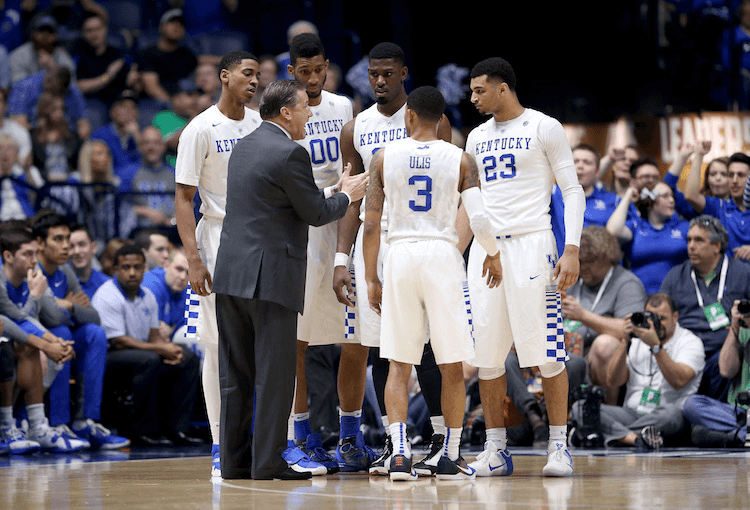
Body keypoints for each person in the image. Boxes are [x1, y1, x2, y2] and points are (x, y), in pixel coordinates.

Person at [211, 79, 368, 480]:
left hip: (230, 273)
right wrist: (348, 193)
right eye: (303, 108)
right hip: (270, 276)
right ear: (285, 112)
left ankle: (234, 462)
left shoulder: (245, 146)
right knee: (276, 375)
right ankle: (268, 463)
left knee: (235, 374)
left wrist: (332, 190)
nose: (309, 114)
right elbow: (316, 212)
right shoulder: (291, 153)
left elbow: (280, 198)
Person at [363, 85, 502, 480]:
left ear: (408, 116)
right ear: (442, 120)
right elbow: (477, 217)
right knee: (452, 362)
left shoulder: (382, 158)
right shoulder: (462, 159)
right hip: (442, 255)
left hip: (400, 254)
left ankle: (401, 454)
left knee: (398, 363)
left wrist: (371, 276)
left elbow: (371, 224)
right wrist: (492, 253)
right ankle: (450, 454)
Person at [333, 42, 455, 476]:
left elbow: (452, 192)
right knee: (386, 348)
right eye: (373, 74)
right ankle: (394, 441)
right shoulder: (356, 129)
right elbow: (352, 200)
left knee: (432, 347)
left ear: (404, 73)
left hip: (422, 239)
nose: (380, 81)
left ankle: (442, 439)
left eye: (388, 74)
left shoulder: (432, 122)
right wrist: (338, 258)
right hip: (376, 241)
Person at [463, 57, 584, 478]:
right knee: (488, 358)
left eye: (479, 90)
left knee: (547, 354)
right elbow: (470, 203)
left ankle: (558, 446)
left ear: (502, 88)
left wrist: (572, 248)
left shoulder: (544, 126)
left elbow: (572, 191)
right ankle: (496, 449)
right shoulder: (476, 137)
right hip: (486, 253)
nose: (472, 97)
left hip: (534, 247)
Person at [174, 50, 262, 478]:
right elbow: (183, 199)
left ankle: (268, 442)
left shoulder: (260, 124)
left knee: (261, 344)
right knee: (214, 348)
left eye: (258, 75)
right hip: (217, 239)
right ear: (224, 77)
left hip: (259, 239)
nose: (254, 81)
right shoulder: (199, 129)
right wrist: (193, 258)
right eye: (247, 74)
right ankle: (218, 443)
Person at [283, 32, 353, 474]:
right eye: (303, 72)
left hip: (340, 218)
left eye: (318, 71)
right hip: (304, 223)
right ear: (291, 72)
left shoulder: (344, 106)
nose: (312, 79)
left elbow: (353, 166)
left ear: (328, 66)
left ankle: (350, 434)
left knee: (353, 334)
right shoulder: (281, 110)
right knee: (299, 337)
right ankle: (301, 432)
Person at [32, 212, 130, 449]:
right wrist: (68, 306)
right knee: (62, 332)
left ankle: (85, 422)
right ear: (40, 243)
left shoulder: (65, 271)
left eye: (68, 238)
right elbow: (50, 316)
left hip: (57, 339)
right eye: (58, 239)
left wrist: (65, 304)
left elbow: (93, 316)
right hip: (34, 340)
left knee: (93, 334)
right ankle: (57, 424)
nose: (66, 246)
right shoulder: (34, 269)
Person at [91, 243, 201, 446]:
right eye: (126, 267)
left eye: (137, 267)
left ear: (145, 269)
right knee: (150, 359)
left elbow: (153, 337)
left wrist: (171, 351)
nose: (132, 273)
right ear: (115, 269)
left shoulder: (147, 296)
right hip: (109, 356)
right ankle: (143, 431)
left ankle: (178, 428)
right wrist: (161, 349)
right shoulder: (107, 295)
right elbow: (118, 341)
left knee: (187, 358)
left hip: (139, 352)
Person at [573, 293, 704, 448]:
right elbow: (613, 381)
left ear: (675, 317)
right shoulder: (638, 339)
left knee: (672, 414)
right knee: (581, 406)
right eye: (650, 317)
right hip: (632, 413)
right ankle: (635, 439)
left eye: (661, 318)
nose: (655, 323)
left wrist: (656, 347)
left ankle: (610, 434)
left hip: (665, 416)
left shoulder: (690, 342)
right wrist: (624, 341)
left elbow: (679, 381)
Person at [0, 226, 88, 453]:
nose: (33, 260)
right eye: (27, 255)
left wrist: (53, 342)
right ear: (8, 257)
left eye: (34, 254)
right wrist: (45, 344)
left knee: (35, 347)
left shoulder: (27, 278)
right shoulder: (4, 280)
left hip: (11, 334)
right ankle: (7, 425)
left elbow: (22, 318)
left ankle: (36, 426)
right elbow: (6, 321)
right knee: (19, 347)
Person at [660, 215, 750, 400]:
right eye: (689, 240)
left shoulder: (742, 273)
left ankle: (711, 417)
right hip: (685, 348)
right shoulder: (676, 275)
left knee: (723, 361)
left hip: (722, 348)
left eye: (699, 240)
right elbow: (661, 312)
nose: (691, 246)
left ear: (717, 246)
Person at [563, 226, 647, 404]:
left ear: (606, 257)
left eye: (589, 261)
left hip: (599, 359)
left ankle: (607, 409)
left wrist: (583, 315)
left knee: (605, 344)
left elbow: (632, 330)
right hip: (567, 352)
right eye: (580, 260)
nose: (583, 267)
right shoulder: (576, 279)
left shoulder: (627, 284)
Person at [683, 299, 750, 447]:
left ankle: (737, 436)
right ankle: (743, 433)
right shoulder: (743, 334)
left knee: (700, 434)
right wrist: (734, 328)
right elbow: (726, 370)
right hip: (738, 413)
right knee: (692, 404)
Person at [606, 180, 689, 294]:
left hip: (676, 296)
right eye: (665, 196)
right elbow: (612, 231)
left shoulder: (683, 226)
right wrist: (627, 197)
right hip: (638, 295)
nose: (672, 200)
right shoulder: (637, 226)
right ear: (650, 201)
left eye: (672, 196)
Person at [72, 11, 138, 128]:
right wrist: (107, 76)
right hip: (92, 103)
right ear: (83, 34)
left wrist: (135, 80)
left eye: (98, 29)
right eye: (89, 31)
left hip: (117, 102)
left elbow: (130, 84)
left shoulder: (118, 55)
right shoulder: (79, 56)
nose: (94, 34)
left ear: (105, 30)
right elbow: (79, 86)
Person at [684, 152, 750, 261]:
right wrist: (699, 154)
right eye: (730, 175)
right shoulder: (719, 206)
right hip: (727, 275)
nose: (734, 180)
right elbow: (691, 195)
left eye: (741, 175)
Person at [7, 66, 90, 140]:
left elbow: (84, 125)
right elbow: (18, 125)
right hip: (35, 138)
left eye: (58, 92)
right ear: (46, 80)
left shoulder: (72, 91)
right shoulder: (24, 87)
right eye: (51, 89)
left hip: (66, 138)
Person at [120, 126, 175, 230]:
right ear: (140, 146)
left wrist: (173, 220)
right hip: (139, 231)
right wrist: (145, 212)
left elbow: (188, 205)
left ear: (163, 146)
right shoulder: (127, 174)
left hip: (171, 230)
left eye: (156, 143)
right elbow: (120, 207)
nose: (151, 147)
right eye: (146, 143)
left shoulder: (175, 174)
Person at [137, 9, 198, 102]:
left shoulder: (186, 53)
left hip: (184, 103)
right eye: (172, 22)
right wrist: (173, 106)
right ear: (162, 27)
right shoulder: (147, 54)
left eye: (181, 24)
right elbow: (151, 87)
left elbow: (200, 60)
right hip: (158, 105)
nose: (177, 26)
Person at [8, 13, 75, 86]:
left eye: (50, 31)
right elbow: (18, 85)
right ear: (33, 33)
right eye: (41, 30)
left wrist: (52, 66)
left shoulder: (62, 55)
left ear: (56, 36)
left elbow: (72, 85)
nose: (45, 35)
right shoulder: (19, 54)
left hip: (55, 96)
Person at [142, 246, 189, 343]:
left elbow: (187, 329)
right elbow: (153, 331)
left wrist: (170, 330)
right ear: (167, 264)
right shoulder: (151, 284)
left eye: (189, 272)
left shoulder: (189, 289)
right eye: (179, 269)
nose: (183, 277)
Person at [90, 89, 142, 177]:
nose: (128, 110)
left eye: (132, 107)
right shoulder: (100, 135)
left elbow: (148, 166)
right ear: (112, 112)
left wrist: (137, 137)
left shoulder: (140, 137)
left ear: (136, 113)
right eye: (122, 106)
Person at [0, 134, 40, 221]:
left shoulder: (27, 171)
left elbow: (37, 197)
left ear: (16, 153)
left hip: (24, 217)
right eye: (1, 148)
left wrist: (27, 171)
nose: (5, 152)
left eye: (9, 148)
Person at [68, 223, 108, 299]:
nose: (77, 251)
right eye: (71, 247)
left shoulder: (106, 284)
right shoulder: (58, 283)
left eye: (82, 244)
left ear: (93, 248)